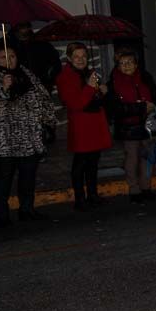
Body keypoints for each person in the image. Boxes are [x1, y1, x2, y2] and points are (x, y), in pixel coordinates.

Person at [0, 38, 56, 227]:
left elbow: (42, 96)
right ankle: (1, 214)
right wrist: (2, 89)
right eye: (3, 57)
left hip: (27, 135)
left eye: (12, 56)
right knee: (4, 177)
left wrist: (47, 119)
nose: (9, 60)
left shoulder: (26, 73)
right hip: (3, 137)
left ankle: (27, 209)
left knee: (28, 175)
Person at [55, 43, 112, 210]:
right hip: (81, 124)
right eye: (77, 57)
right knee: (80, 162)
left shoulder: (88, 73)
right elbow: (75, 103)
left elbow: (95, 98)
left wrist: (101, 91)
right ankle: (80, 199)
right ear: (69, 58)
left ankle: (93, 195)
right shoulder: (65, 77)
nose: (81, 60)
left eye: (84, 56)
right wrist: (89, 87)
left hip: (94, 122)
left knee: (93, 161)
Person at [107, 49, 156, 204]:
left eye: (129, 62)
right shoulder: (113, 82)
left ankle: (146, 188)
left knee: (148, 158)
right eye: (122, 63)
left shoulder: (145, 77)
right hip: (129, 127)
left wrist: (155, 105)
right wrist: (140, 108)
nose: (126, 66)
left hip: (148, 125)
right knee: (132, 159)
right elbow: (116, 109)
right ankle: (134, 190)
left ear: (136, 64)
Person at [10, 22, 61, 89]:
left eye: (25, 25)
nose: (23, 29)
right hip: (17, 87)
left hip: (42, 86)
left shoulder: (42, 44)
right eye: (20, 26)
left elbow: (55, 65)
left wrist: (48, 80)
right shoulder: (6, 45)